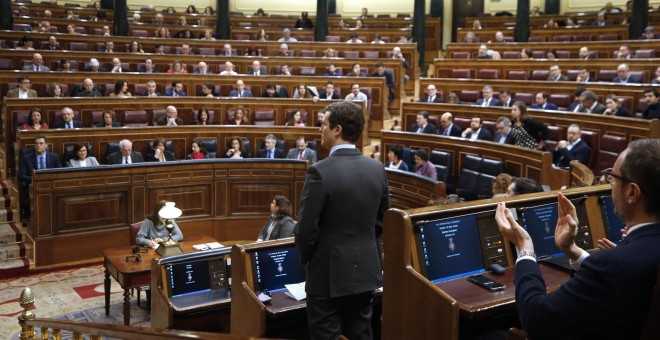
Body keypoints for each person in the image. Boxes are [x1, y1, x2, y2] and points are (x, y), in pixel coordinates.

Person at [495, 139, 660, 339]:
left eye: (612, 177)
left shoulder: (612, 264)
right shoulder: (629, 258)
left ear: (632, 193)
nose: (609, 184)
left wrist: (525, 249)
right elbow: (625, 276)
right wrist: (573, 250)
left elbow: (536, 320)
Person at [295, 101, 388, 340]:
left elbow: (305, 232)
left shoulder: (319, 172)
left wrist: (311, 262)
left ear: (337, 130)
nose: (320, 130)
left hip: (328, 275)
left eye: (323, 124)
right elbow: (381, 221)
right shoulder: (377, 169)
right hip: (365, 273)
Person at [19, 135, 62, 221]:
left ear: (46, 145)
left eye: (41, 143)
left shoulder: (54, 156)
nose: (38, 145)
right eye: (36, 144)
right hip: (34, 185)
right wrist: (36, 180)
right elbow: (21, 176)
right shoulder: (26, 158)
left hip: (51, 185)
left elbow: (60, 172)